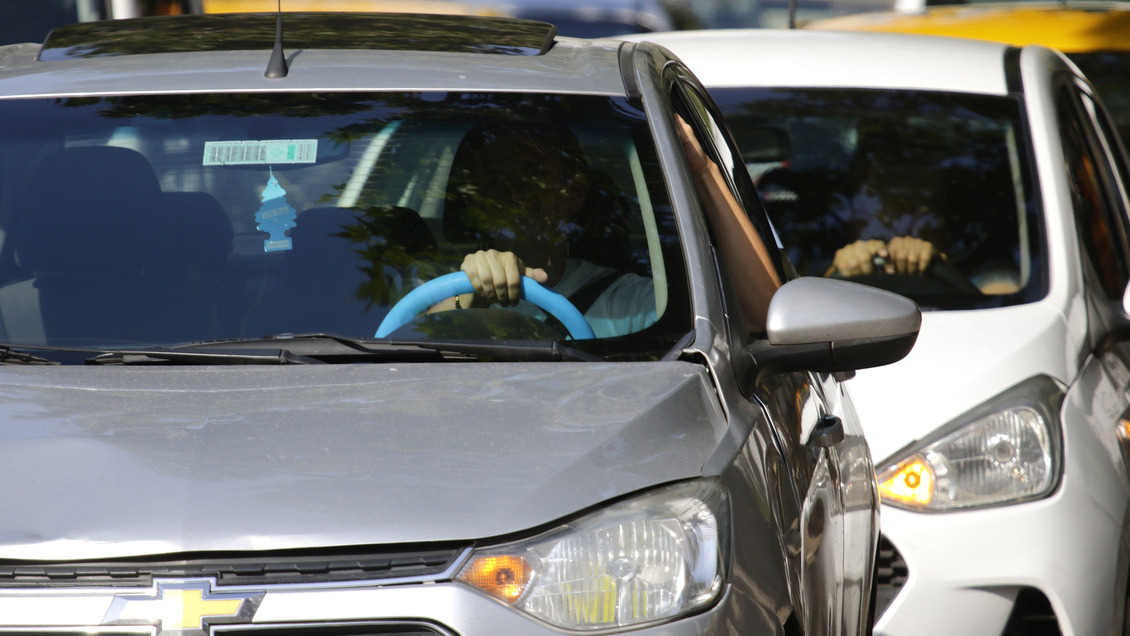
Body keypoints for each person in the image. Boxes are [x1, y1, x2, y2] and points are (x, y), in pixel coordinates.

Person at [432, 121, 656, 338]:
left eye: (531, 173)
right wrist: (468, 294)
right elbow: (408, 351)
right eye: (494, 178)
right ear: (477, 200)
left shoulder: (629, 300)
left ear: (573, 192)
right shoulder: (432, 281)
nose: (511, 190)